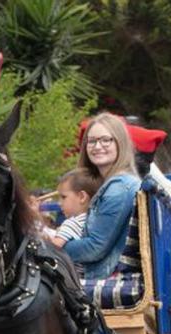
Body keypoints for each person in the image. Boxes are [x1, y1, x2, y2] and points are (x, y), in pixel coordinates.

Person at [63, 113, 141, 280]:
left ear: (120, 143)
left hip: (105, 280)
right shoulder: (113, 184)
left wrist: (50, 246)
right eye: (92, 141)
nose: (97, 146)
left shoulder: (119, 187)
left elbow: (94, 248)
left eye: (106, 140)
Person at [46, 168, 100, 249]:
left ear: (82, 197)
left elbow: (53, 250)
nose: (59, 203)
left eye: (63, 197)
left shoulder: (71, 224)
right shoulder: (97, 221)